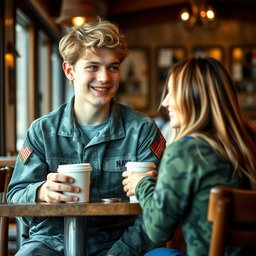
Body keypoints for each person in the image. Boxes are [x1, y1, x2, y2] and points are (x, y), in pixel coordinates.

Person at [7, 18, 166, 256]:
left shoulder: (142, 131)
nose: (105, 77)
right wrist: (41, 192)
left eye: (113, 67)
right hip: (51, 243)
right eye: (93, 67)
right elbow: (15, 197)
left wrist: (119, 252)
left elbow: (160, 210)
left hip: (120, 244)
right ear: (69, 71)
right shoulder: (41, 130)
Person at [122, 57, 256, 256]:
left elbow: (157, 231)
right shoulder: (249, 141)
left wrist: (142, 184)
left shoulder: (186, 151)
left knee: (156, 254)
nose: (165, 102)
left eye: (171, 93)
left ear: (195, 97)